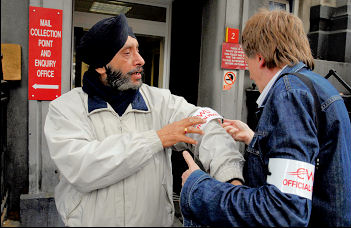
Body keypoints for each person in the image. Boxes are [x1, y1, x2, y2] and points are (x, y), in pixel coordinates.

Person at [44, 14, 244, 227]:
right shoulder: (65, 109)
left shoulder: (161, 102)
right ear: (102, 66)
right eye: (127, 52)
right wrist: (157, 139)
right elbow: (82, 167)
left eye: (137, 49)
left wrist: (231, 182)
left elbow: (206, 125)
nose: (140, 59)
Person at [180, 8, 351, 227]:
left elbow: (283, 212)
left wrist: (199, 188)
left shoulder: (289, 95)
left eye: (246, 59)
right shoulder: (319, 86)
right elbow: (310, 164)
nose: (248, 72)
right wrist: (255, 140)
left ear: (260, 58)